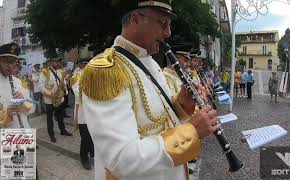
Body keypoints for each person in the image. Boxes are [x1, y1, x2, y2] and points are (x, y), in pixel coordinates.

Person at [80, 1, 221, 179]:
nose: (168, 33)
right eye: (163, 23)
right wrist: (191, 132)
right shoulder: (105, 71)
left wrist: (182, 104)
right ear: (136, 19)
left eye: (169, 25)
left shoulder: (150, 62)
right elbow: (121, 160)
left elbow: (160, 119)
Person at [0, 42, 35, 129]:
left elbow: (32, 108)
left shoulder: (18, 81)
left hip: (25, 133)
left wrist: (23, 104)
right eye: (5, 62)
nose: (9, 66)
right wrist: (6, 115)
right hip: (7, 137)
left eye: (12, 62)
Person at [39, 57, 72, 143]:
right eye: (56, 62)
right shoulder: (45, 72)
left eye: (59, 62)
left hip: (59, 99)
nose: (58, 63)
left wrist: (64, 87)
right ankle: (51, 134)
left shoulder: (61, 72)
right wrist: (51, 94)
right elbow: (41, 86)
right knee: (49, 118)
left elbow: (63, 83)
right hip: (49, 100)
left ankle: (63, 130)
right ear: (51, 62)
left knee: (60, 116)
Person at [71, 59, 94, 170]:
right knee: (85, 137)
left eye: (88, 64)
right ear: (81, 65)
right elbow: (78, 94)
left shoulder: (94, 76)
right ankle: (83, 157)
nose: (86, 66)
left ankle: (91, 151)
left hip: (94, 112)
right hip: (83, 112)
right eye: (84, 64)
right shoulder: (76, 77)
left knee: (92, 134)